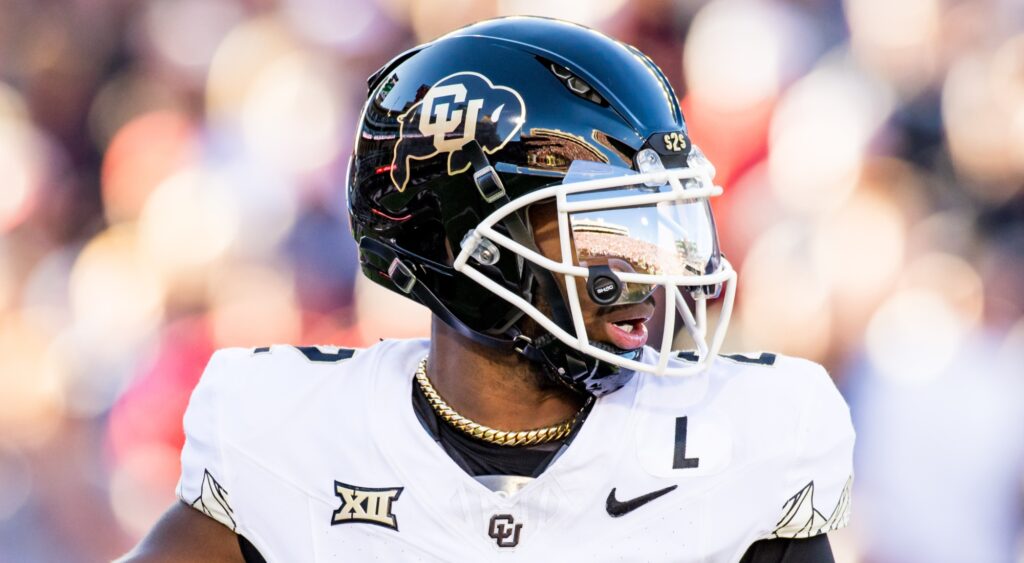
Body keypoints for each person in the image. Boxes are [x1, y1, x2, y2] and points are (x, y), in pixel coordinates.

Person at [119, 16, 854, 562]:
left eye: (660, 222)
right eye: (608, 227)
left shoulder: (746, 440)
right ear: (464, 240)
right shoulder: (295, 434)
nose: (650, 267)